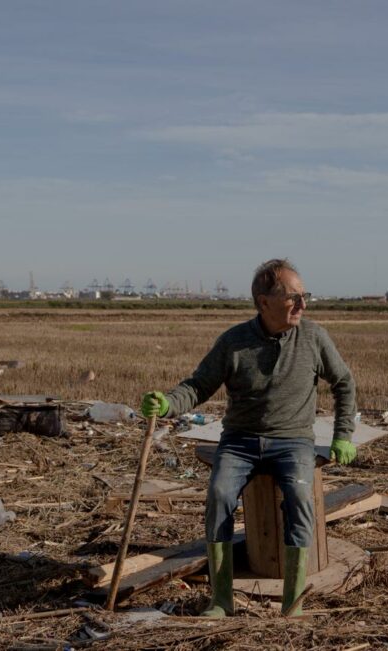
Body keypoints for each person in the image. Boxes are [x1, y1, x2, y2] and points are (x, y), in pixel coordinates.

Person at [141, 258, 357, 617]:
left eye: (305, 296)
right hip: (240, 441)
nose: (302, 305)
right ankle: (221, 598)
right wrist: (166, 404)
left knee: (301, 497)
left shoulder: (314, 337)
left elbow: (344, 383)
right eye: (293, 298)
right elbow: (198, 386)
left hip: (293, 441)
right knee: (219, 495)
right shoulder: (234, 342)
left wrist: (343, 435)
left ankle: (293, 601)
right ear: (264, 302)